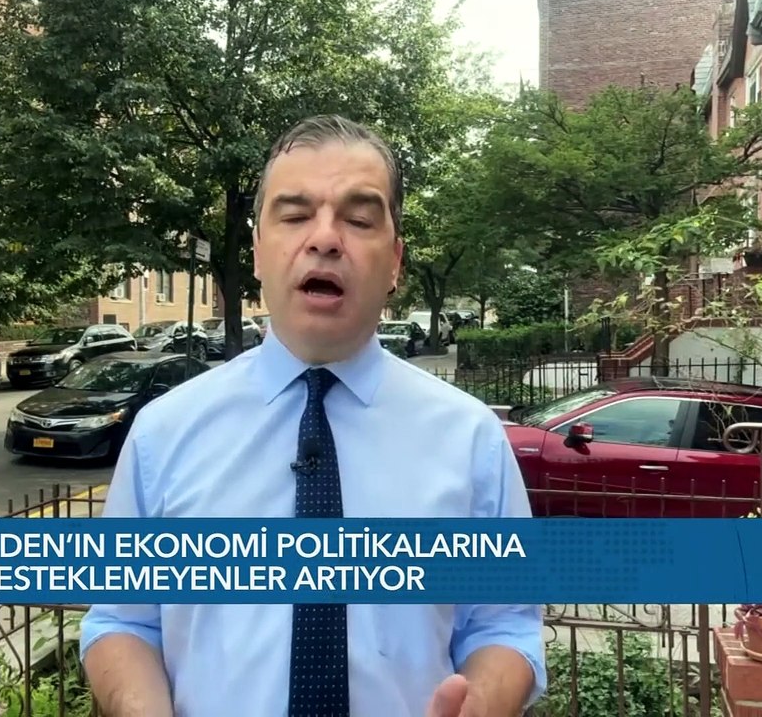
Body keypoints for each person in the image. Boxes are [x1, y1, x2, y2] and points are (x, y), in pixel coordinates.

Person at [79, 114, 546, 717]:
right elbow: (122, 620)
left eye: (358, 219)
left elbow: (504, 625)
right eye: (296, 215)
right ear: (257, 252)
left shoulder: (471, 438)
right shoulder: (162, 434)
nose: (325, 238)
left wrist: (480, 703)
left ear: (395, 261)